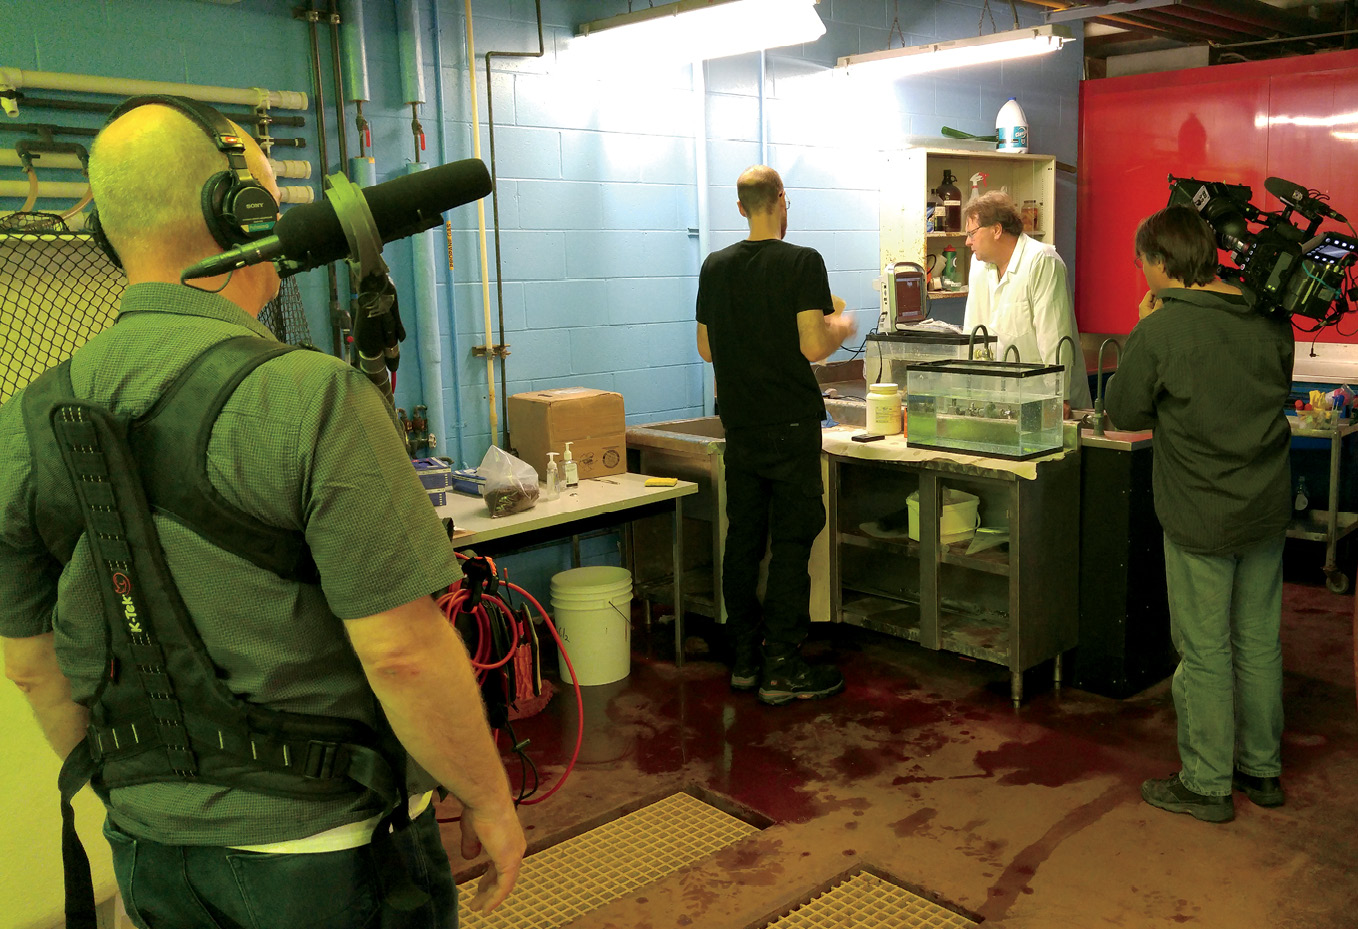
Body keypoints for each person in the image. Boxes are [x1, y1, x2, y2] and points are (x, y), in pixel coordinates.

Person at [0, 99, 524, 925]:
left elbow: (30, 664)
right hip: (330, 852)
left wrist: (148, 796)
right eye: (270, 197)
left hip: (149, 851)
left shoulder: (23, 422)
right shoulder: (311, 397)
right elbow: (402, 652)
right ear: (237, 212)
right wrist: (488, 799)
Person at [1105, 204, 1292, 823]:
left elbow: (1123, 412)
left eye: (1143, 264)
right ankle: (1261, 770)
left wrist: (1140, 333)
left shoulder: (1163, 329)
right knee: (1259, 640)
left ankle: (1207, 783)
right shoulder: (1271, 320)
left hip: (1199, 514)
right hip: (1265, 508)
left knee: (1205, 649)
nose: (1143, 276)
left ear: (1161, 262)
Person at [695, 165, 856, 706]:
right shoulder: (802, 262)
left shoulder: (714, 266)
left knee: (743, 539)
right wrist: (842, 325)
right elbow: (814, 346)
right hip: (789, 427)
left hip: (739, 427)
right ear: (782, 201)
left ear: (741, 208)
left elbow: (707, 348)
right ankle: (783, 665)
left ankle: (743, 658)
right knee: (790, 543)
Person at [962, 191, 1093, 409]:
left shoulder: (1042, 261)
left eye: (972, 233)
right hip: (1002, 399)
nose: (967, 242)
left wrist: (1059, 398)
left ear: (996, 230)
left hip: (1047, 397)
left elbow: (1054, 337)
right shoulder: (979, 266)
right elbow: (973, 331)